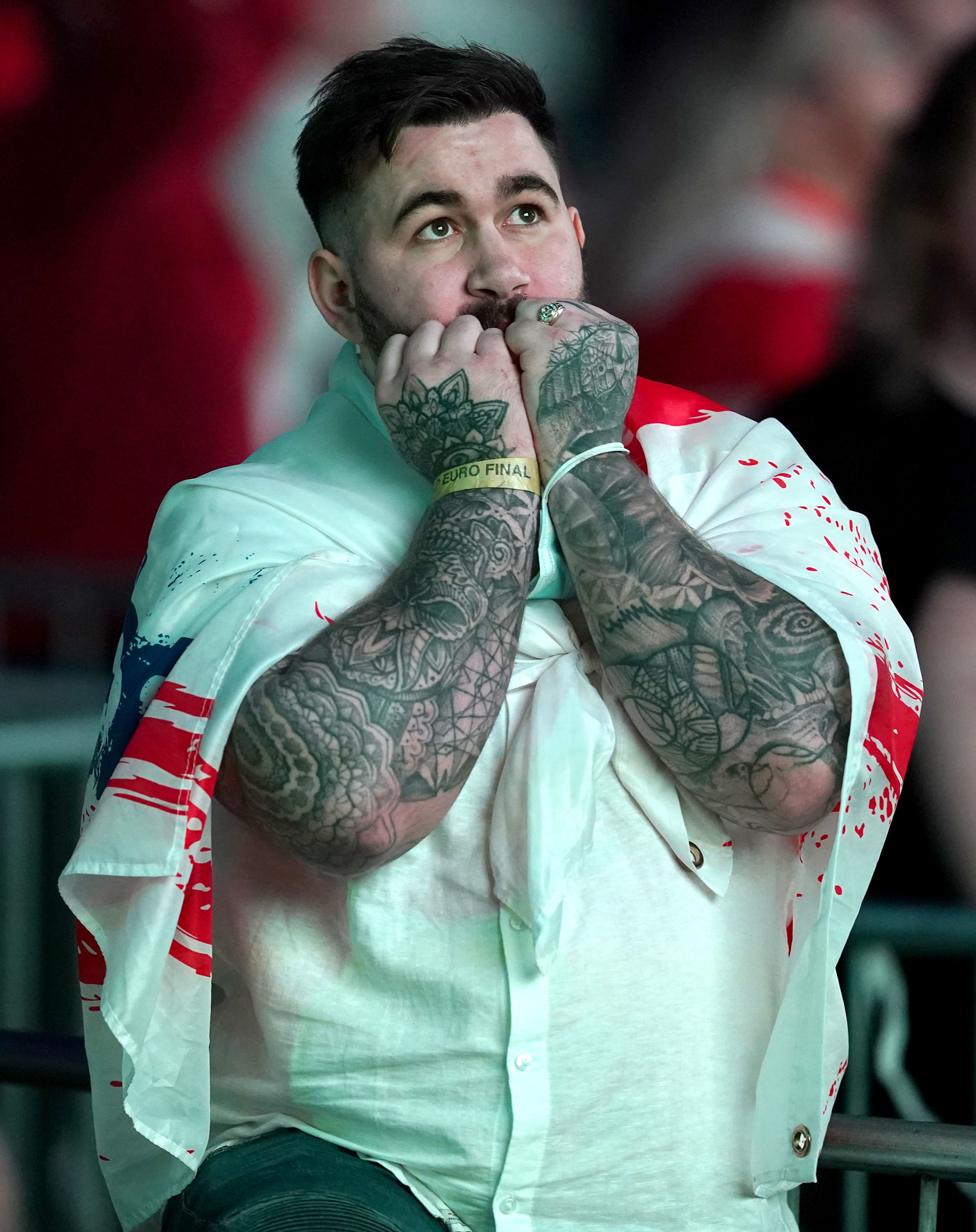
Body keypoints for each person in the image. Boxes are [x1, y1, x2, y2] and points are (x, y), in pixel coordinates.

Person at [59, 38, 920, 1232]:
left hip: (675, 1203)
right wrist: (482, 483)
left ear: (578, 234)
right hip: (335, 1184)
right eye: (432, 228)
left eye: (523, 213)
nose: (500, 269)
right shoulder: (243, 517)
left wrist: (581, 458)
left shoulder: (744, 474)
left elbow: (786, 763)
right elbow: (348, 801)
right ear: (337, 293)